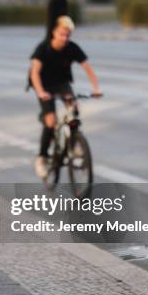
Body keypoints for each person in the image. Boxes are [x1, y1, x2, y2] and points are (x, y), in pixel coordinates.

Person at [29, 15, 102, 178]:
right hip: (44, 85)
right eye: (62, 34)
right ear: (54, 32)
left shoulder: (72, 47)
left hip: (62, 83)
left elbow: (87, 68)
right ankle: (41, 158)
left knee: (74, 108)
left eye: (68, 35)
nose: (64, 38)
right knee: (50, 120)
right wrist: (41, 92)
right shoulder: (43, 48)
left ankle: (74, 143)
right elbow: (34, 72)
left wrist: (96, 88)